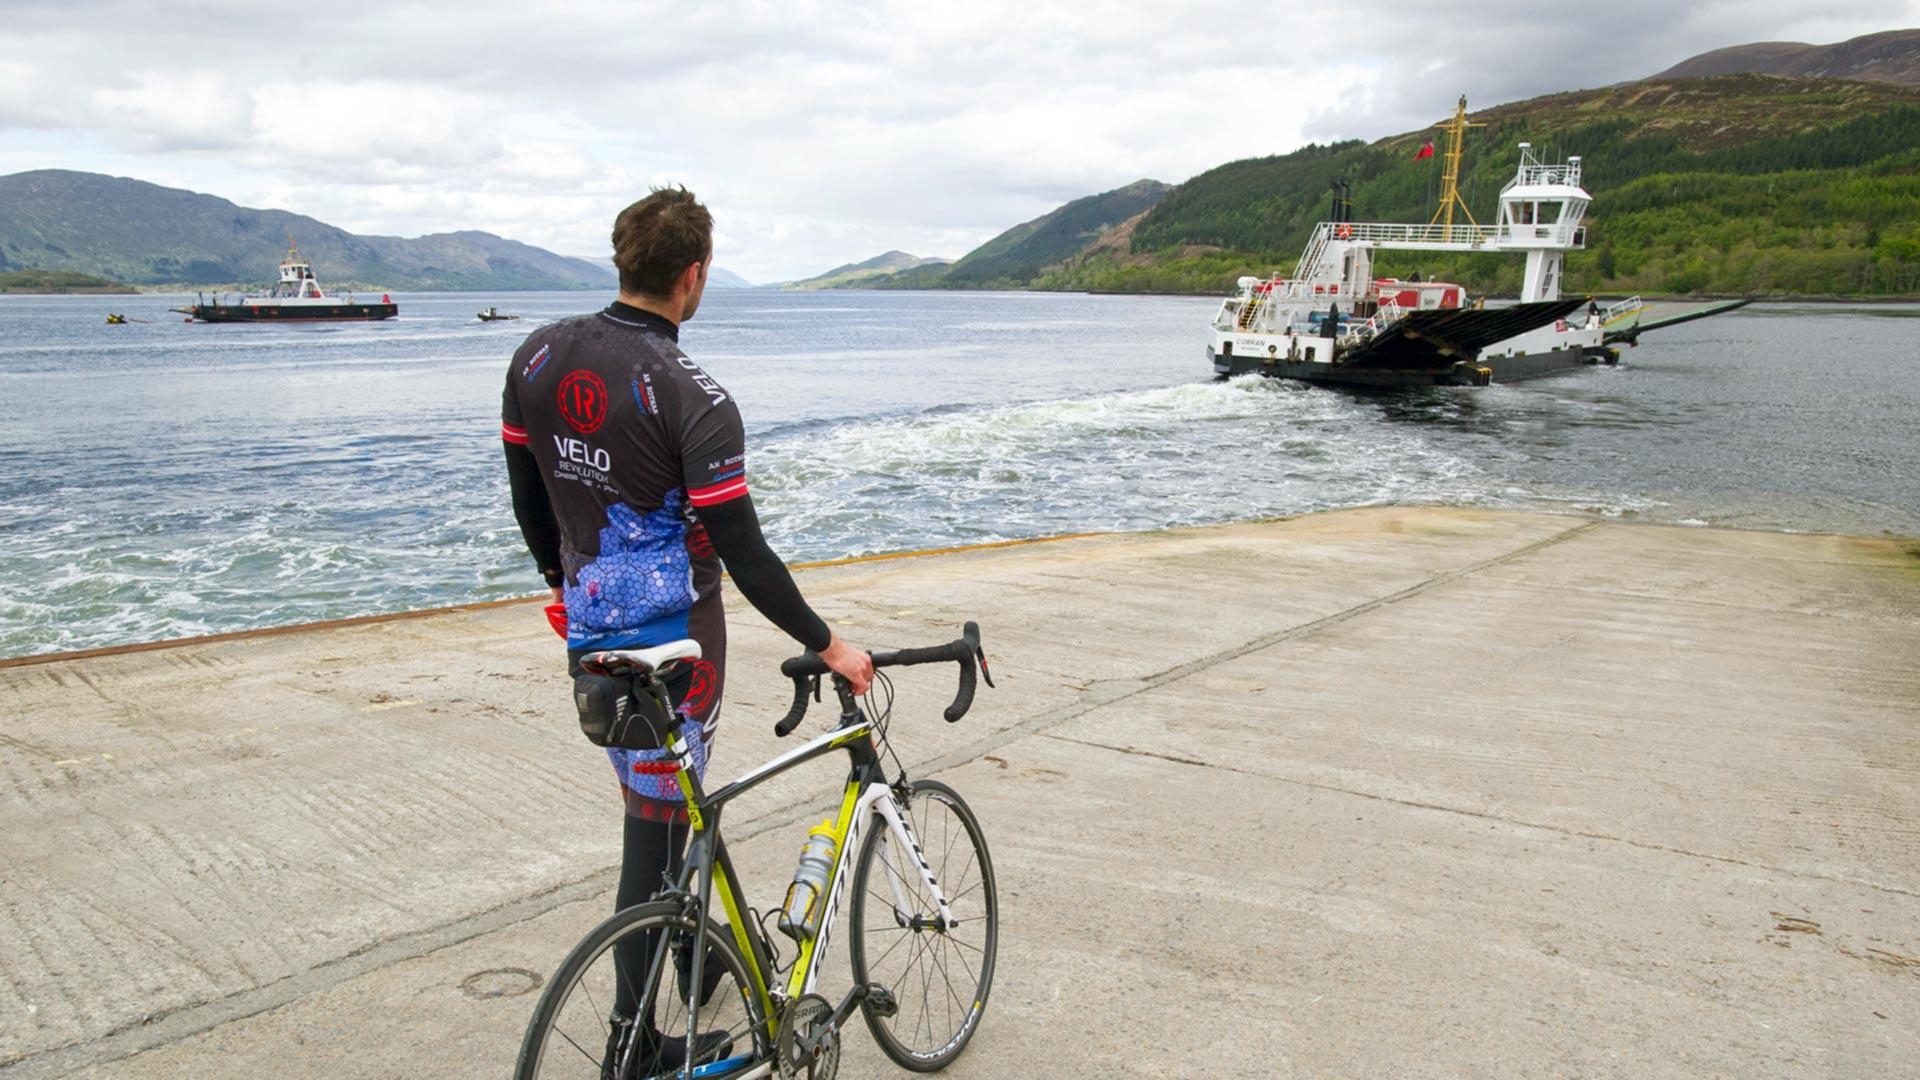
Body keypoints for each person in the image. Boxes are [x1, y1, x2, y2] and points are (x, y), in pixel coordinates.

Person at [500, 185, 872, 1071]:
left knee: (671, 809)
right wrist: (828, 643)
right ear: (693, 277)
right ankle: (635, 1044)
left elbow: (527, 497)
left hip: (590, 623)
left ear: (623, 260)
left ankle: (695, 952)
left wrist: (565, 582)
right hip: (679, 643)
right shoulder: (694, 396)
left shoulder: (537, 355)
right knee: (654, 827)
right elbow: (744, 551)